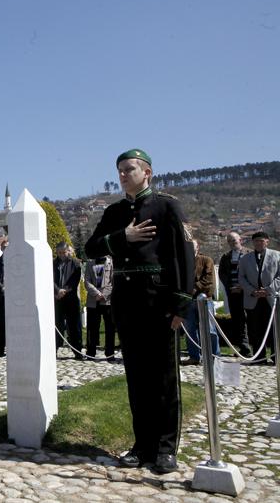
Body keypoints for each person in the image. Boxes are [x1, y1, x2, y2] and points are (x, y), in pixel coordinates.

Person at [85, 149, 194, 474]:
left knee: (163, 379)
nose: (122, 175)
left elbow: (183, 255)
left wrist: (180, 304)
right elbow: (90, 249)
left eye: (129, 169)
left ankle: (164, 449)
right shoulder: (115, 211)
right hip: (128, 304)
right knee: (137, 379)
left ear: (146, 172)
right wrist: (123, 237)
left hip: (159, 304)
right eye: (119, 170)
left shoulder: (166, 206)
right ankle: (141, 444)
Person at [238, 231, 279, 364]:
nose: (258, 243)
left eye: (261, 241)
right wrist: (252, 291)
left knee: (274, 329)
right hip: (253, 299)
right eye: (256, 241)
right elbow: (241, 278)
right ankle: (259, 357)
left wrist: (268, 290)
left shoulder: (277, 256)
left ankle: (276, 356)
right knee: (255, 329)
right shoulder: (245, 259)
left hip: (271, 299)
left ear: (267, 242)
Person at [181, 240, 219, 365]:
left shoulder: (206, 260)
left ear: (198, 247)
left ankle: (214, 356)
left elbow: (208, 279)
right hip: (188, 300)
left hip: (204, 300)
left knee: (210, 329)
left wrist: (194, 288)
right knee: (190, 329)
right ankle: (194, 356)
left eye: (193, 246)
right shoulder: (183, 261)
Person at [218, 232, 251, 356]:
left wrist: (243, 287)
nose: (232, 243)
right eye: (230, 241)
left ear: (240, 240)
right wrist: (231, 287)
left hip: (247, 293)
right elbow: (222, 274)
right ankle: (243, 348)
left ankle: (255, 348)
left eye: (234, 240)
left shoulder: (249, 254)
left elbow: (253, 273)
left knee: (250, 319)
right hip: (232, 293)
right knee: (237, 320)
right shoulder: (225, 257)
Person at [53, 242, 83, 359]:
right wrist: (57, 291)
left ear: (68, 251)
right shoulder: (52, 263)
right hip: (57, 299)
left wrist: (63, 291)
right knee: (57, 325)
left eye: (63, 252)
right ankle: (54, 349)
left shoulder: (75, 263)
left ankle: (78, 351)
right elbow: (49, 278)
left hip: (71, 299)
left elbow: (74, 280)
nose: (61, 255)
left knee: (74, 326)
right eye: (59, 253)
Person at [84, 255, 115, 361]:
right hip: (93, 301)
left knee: (110, 328)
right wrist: (96, 293)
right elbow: (86, 281)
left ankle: (110, 353)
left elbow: (113, 282)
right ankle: (90, 353)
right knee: (92, 328)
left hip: (107, 301)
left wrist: (104, 295)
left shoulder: (111, 263)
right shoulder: (90, 263)